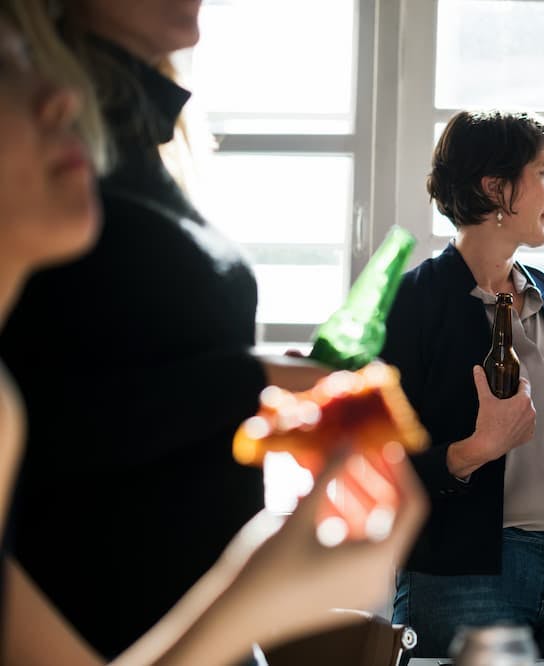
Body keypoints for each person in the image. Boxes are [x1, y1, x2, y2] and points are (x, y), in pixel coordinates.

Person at [0, 5, 426, 664]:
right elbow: (57, 410)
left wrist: (249, 601)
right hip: (114, 604)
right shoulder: (71, 179)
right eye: (10, 70)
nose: (57, 102)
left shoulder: (140, 153)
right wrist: (248, 379)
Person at [381, 110, 544, 659]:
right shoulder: (411, 304)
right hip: (464, 575)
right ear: (494, 187)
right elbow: (378, 465)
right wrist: (471, 453)